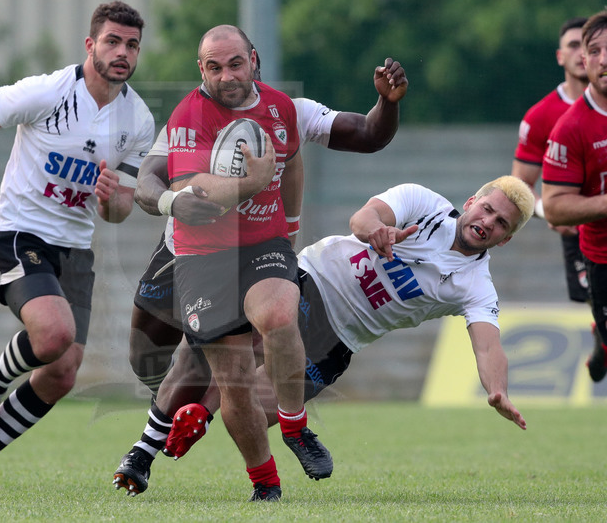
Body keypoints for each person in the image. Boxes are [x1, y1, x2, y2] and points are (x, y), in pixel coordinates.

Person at [125, 175, 533, 501]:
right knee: (200, 353)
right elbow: (363, 218)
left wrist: (497, 390)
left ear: (506, 239)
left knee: (255, 409)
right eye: (487, 209)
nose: (488, 223)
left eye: (501, 224)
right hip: (307, 280)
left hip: (336, 340)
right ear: (471, 203)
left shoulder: (477, 285)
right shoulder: (422, 202)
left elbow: (488, 345)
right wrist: (377, 231)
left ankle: (201, 415)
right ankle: (143, 454)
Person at [114, 54, 408, 500]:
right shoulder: (191, 117)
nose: (229, 78)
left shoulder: (291, 111)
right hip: (184, 252)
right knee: (146, 358)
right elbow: (147, 184)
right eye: (217, 68)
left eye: (237, 65)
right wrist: (181, 201)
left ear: (254, 63)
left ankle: (151, 447)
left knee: (220, 350)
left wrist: (387, 103)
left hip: (257, 252)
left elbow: (368, 134)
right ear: (203, 72)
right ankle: (174, 418)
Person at [0, 1, 155, 489]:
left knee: (63, 372)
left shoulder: (137, 120)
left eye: (132, 45)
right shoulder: (50, 91)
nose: (122, 52)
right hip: (18, 233)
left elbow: (118, 213)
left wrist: (112, 198)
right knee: (52, 336)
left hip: (74, 249)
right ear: (91, 45)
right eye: (113, 41)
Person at [511, 16, 606, 381]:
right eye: (579, 47)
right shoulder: (546, 117)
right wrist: (548, 211)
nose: (586, 56)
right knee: (593, 299)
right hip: (580, 232)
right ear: (562, 56)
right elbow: (521, 186)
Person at [542, 10, 607, 384]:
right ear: (584, 61)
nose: (604, 59)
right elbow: (553, 206)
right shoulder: (570, 127)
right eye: (595, 51)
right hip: (602, 261)